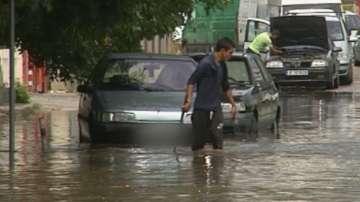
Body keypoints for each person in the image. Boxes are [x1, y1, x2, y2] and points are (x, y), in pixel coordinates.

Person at [182, 37, 237, 151]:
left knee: (217, 137)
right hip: (202, 108)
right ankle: (198, 166)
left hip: (216, 107)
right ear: (222, 50)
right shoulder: (205, 64)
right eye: (230, 52)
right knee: (199, 142)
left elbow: (225, 85)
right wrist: (188, 101)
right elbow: (191, 82)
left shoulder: (222, 65)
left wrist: (233, 104)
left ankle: (217, 167)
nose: (230, 56)